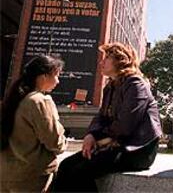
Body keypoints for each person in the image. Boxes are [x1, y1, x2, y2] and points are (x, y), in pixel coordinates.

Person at [52, 42, 162, 192]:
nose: (101, 62)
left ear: (120, 60)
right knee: (66, 165)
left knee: (80, 171)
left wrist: (101, 139)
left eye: (106, 58)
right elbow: (101, 116)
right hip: (115, 144)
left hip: (136, 149)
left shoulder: (136, 84)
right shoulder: (110, 86)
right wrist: (91, 134)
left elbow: (126, 124)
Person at [0, 55, 66, 192]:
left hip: (6, 174)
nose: (58, 81)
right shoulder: (39, 101)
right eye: (56, 76)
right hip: (32, 177)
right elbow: (54, 142)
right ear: (43, 77)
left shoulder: (14, 99)